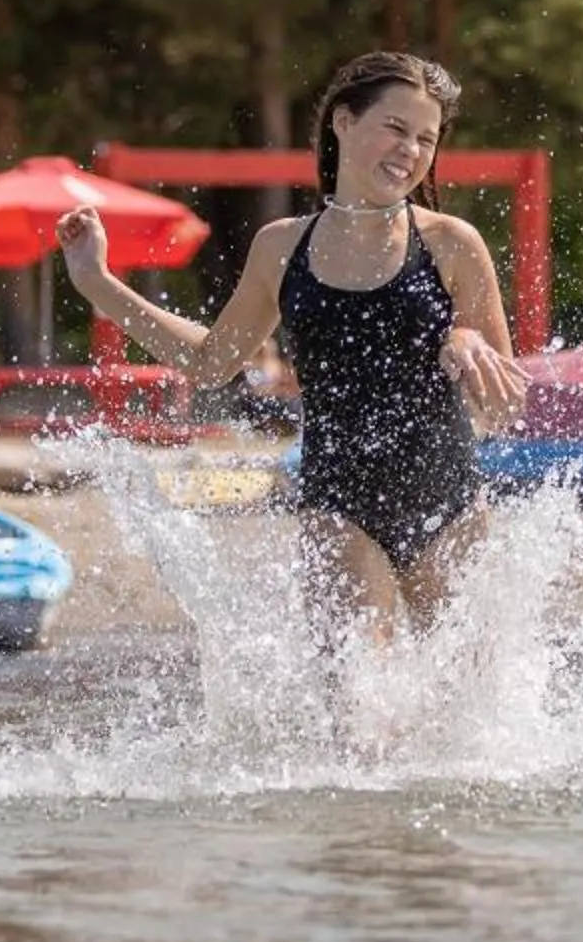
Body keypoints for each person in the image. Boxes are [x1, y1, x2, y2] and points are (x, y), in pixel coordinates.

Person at [56, 52, 528, 646]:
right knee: (354, 722)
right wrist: (98, 282)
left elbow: (507, 410)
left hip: (448, 503)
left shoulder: (453, 244)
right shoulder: (281, 247)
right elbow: (212, 363)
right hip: (338, 505)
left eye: (426, 139)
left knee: (463, 722)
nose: (410, 150)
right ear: (344, 122)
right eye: (396, 128)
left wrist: (466, 339)